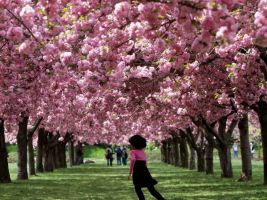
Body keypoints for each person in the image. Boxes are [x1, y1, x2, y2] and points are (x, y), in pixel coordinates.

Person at [128, 135, 165, 200]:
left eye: (130, 144)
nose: (130, 145)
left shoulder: (132, 152)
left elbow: (133, 160)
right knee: (151, 189)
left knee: (137, 187)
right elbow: (145, 162)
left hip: (137, 171)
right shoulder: (142, 152)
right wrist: (145, 169)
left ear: (133, 144)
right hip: (145, 171)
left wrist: (130, 173)